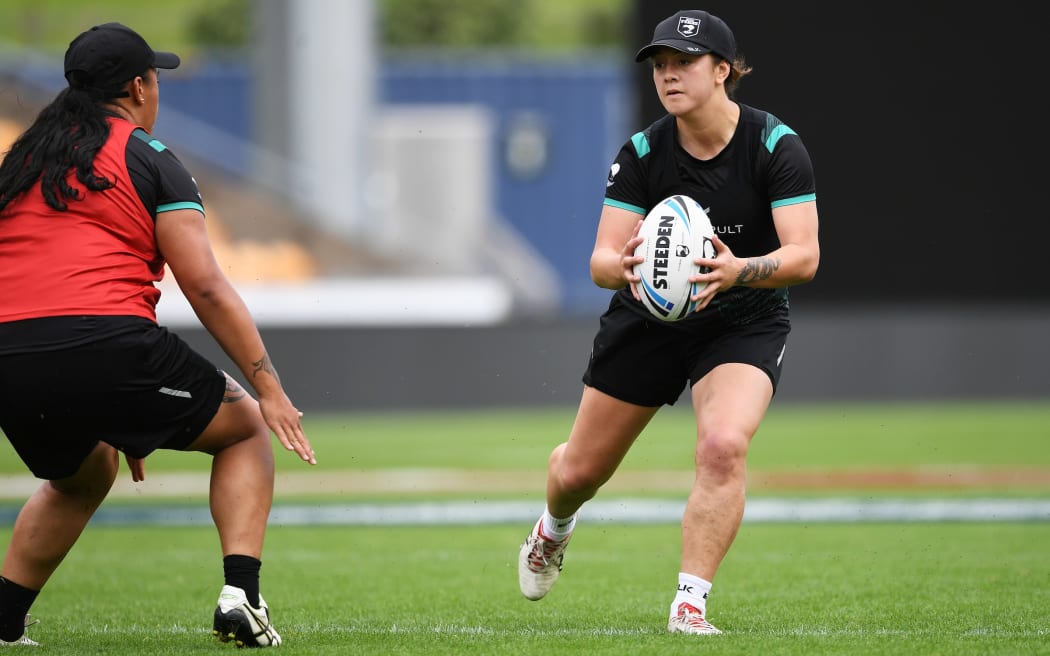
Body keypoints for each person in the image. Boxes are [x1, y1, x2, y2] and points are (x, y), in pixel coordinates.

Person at [0, 23, 317, 647]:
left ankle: (4, 619)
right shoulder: (148, 156)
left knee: (84, 472)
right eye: (156, 79)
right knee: (247, 427)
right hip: (106, 341)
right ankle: (242, 598)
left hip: (8, 351)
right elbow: (205, 287)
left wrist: (119, 405)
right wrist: (270, 388)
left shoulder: (20, 161)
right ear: (140, 86)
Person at [517, 9, 820, 635]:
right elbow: (602, 260)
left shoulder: (775, 146)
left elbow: (804, 257)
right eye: (659, 65)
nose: (668, 75)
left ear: (724, 70)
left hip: (743, 319)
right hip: (648, 320)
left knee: (723, 446)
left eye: (683, 62)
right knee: (579, 472)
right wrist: (623, 265)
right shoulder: (645, 151)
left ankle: (690, 604)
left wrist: (738, 272)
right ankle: (553, 529)